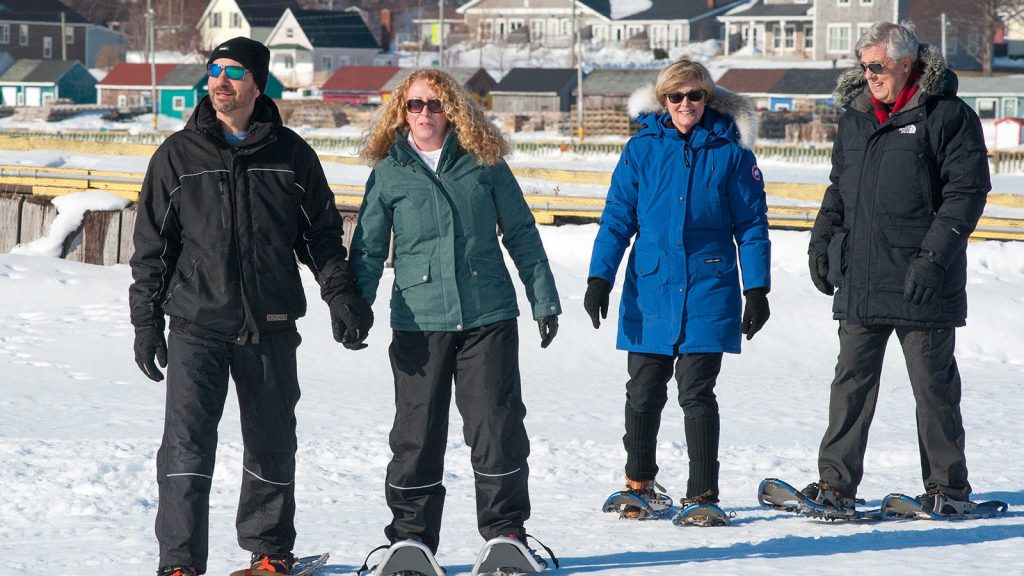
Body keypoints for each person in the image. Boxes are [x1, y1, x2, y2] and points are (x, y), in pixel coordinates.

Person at [129, 37, 373, 576]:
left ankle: (268, 554)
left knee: (271, 443)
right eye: (213, 70)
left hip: (271, 324)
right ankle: (179, 565)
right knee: (186, 450)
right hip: (198, 325)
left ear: (257, 83)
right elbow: (152, 250)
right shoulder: (177, 155)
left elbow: (322, 239)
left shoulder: (291, 155)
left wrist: (342, 296)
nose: (219, 81)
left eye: (233, 72)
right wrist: (146, 324)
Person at [350, 68, 561, 565]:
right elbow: (367, 250)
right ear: (401, 111)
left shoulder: (484, 162)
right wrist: (356, 309)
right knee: (416, 433)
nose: (424, 114)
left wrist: (543, 298)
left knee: (496, 427)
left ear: (454, 110)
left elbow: (522, 233)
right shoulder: (389, 171)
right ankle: (411, 539)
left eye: (435, 104)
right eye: (415, 105)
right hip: (418, 324)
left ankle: (506, 534)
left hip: (487, 316)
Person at [804, 21, 990, 514]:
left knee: (933, 389)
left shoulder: (947, 116)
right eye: (863, 67)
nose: (869, 77)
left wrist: (933, 259)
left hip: (921, 281)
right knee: (850, 385)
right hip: (862, 276)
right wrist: (822, 241)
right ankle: (836, 485)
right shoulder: (856, 116)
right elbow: (838, 188)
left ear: (906, 64)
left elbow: (966, 194)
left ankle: (947, 488)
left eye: (877, 67)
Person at [585, 59, 771, 522]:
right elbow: (616, 219)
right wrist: (598, 278)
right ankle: (639, 484)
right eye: (675, 97)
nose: (685, 105)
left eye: (694, 96)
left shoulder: (732, 154)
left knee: (697, 392)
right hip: (649, 289)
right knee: (643, 390)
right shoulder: (641, 149)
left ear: (707, 98)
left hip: (709, 286)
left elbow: (751, 226)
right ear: (663, 100)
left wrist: (758, 288)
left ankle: (702, 494)